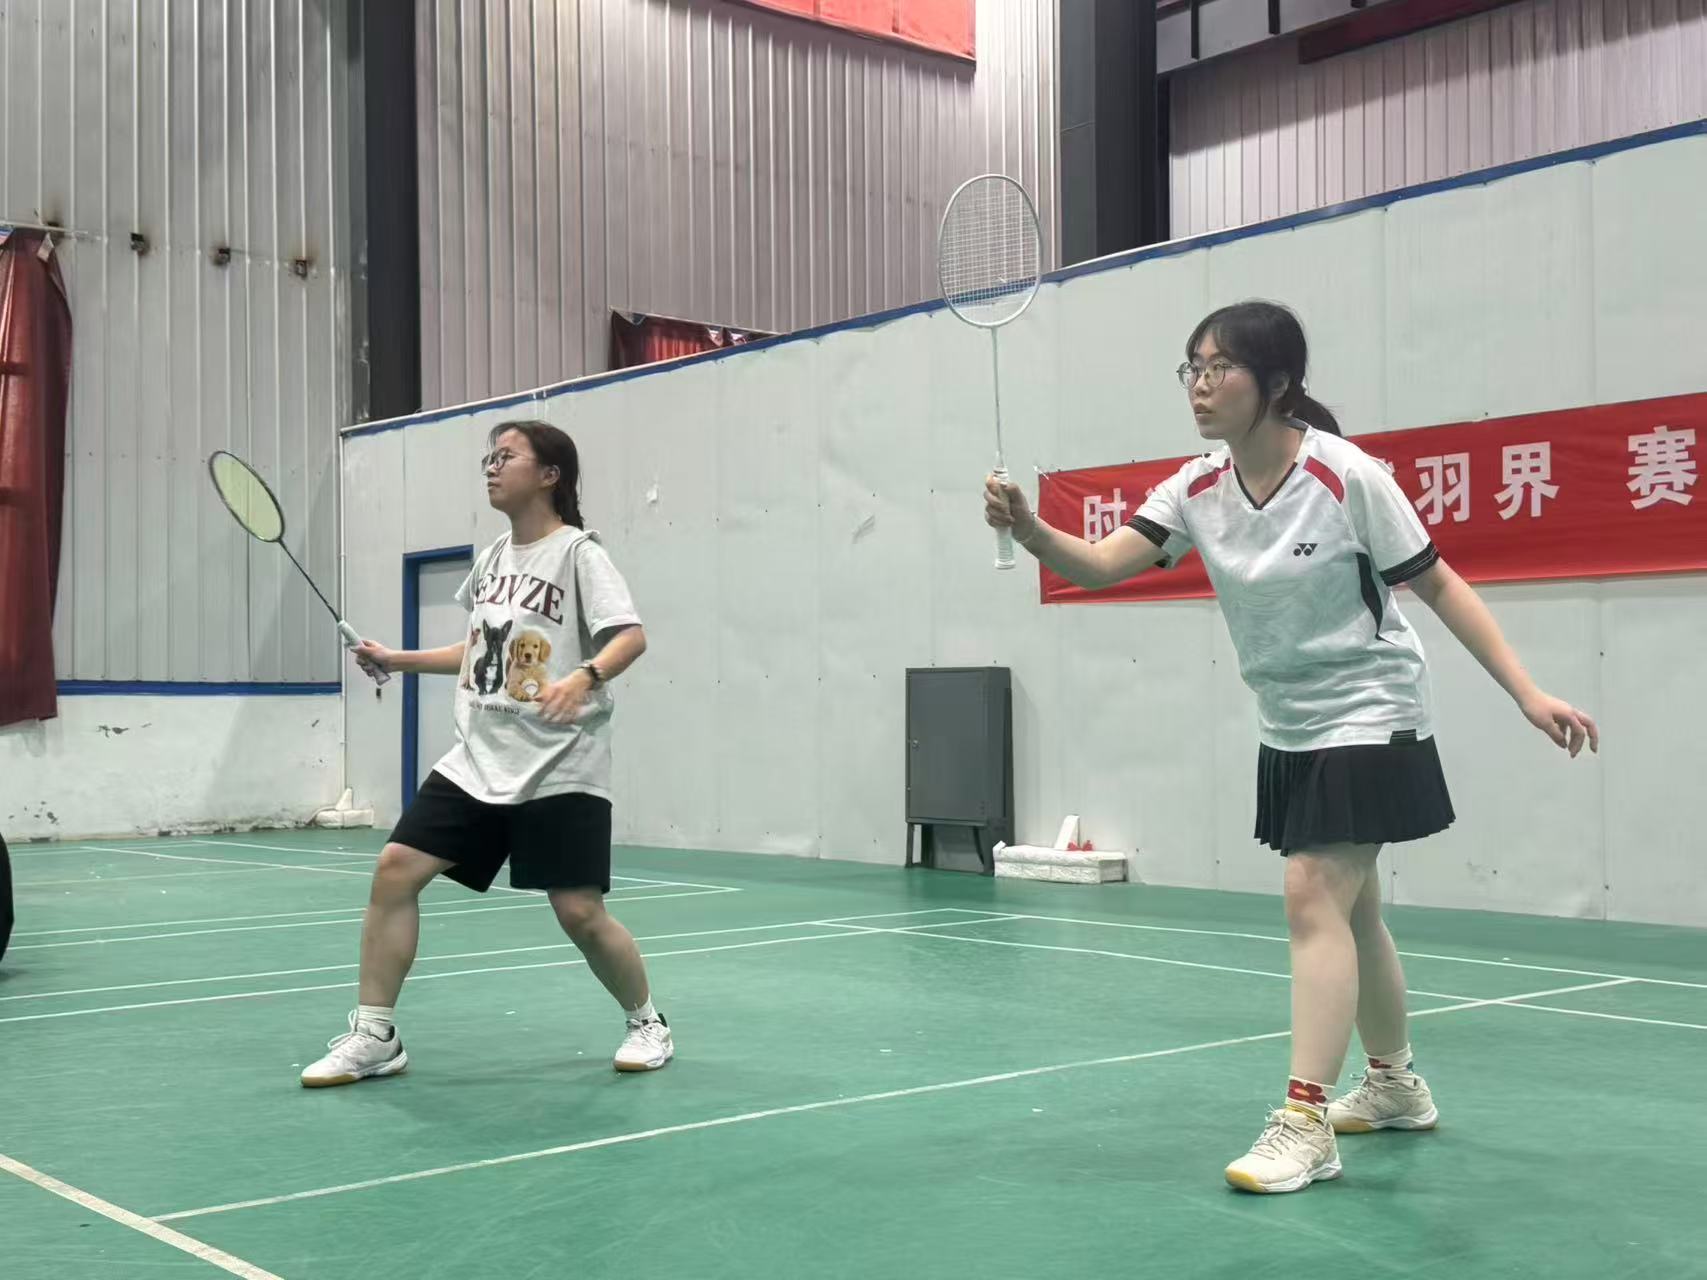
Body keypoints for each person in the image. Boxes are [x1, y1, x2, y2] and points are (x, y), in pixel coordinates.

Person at [983, 300, 1598, 1193]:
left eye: (1217, 368)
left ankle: (1304, 1122)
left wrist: (1526, 692)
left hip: (1372, 708)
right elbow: (1103, 564)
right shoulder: (1194, 488)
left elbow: (1437, 584)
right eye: (1190, 368)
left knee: (1311, 893)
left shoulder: (1344, 475)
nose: (1198, 386)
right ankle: (1393, 1084)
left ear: (1275, 383)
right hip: (1288, 720)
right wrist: (1030, 527)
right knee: (1354, 912)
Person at [301, 419, 672, 1086]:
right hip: (477, 758)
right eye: (489, 458)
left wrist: (583, 677)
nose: (492, 468)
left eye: (506, 457)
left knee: (579, 913)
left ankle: (647, 1022)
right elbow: (476, 650)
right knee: (395, 870)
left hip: (560, 764)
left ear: (550, 475)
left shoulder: (578, 554)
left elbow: (629, 636)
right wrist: (398, 659)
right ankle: (375, 1035)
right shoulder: (494, 556)